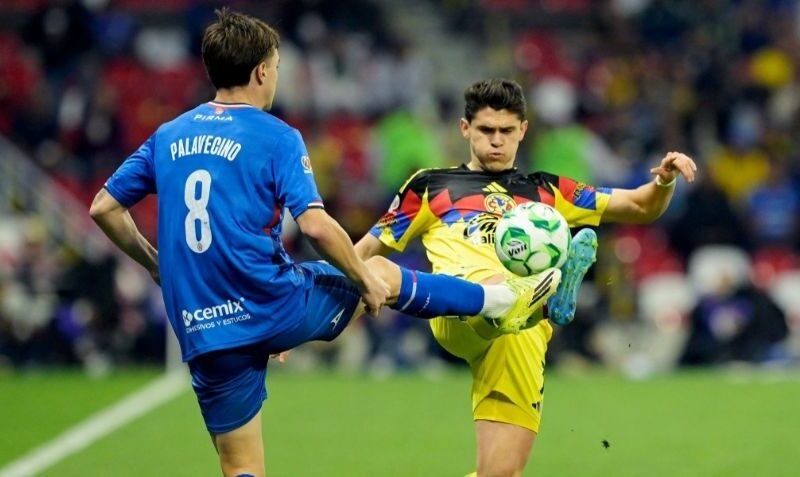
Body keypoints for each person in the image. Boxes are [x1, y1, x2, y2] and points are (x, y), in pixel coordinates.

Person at [88, 11, 555, 477]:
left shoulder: (167, 136)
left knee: (242, 467)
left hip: (201, 320)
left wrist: (155, 266)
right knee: (383, 275)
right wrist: (361, 280)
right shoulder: (276, 136)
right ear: (262, 72)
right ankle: (497, 299)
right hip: (270, 300)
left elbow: (104, 208)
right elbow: (314, 226)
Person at [356, 78, 697, 477]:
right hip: (458, 306)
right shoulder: (430, 186)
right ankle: (531, 296)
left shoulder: (547, 192)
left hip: (520, 338)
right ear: (465, 129)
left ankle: (530, 305)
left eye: (506, 131)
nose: (496, 141)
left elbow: (639, 205)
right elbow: (360, 253)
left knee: (500, 474)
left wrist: (664, 180)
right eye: (485, 131)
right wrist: (300, 319)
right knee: (404, 276)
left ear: (523, 130)